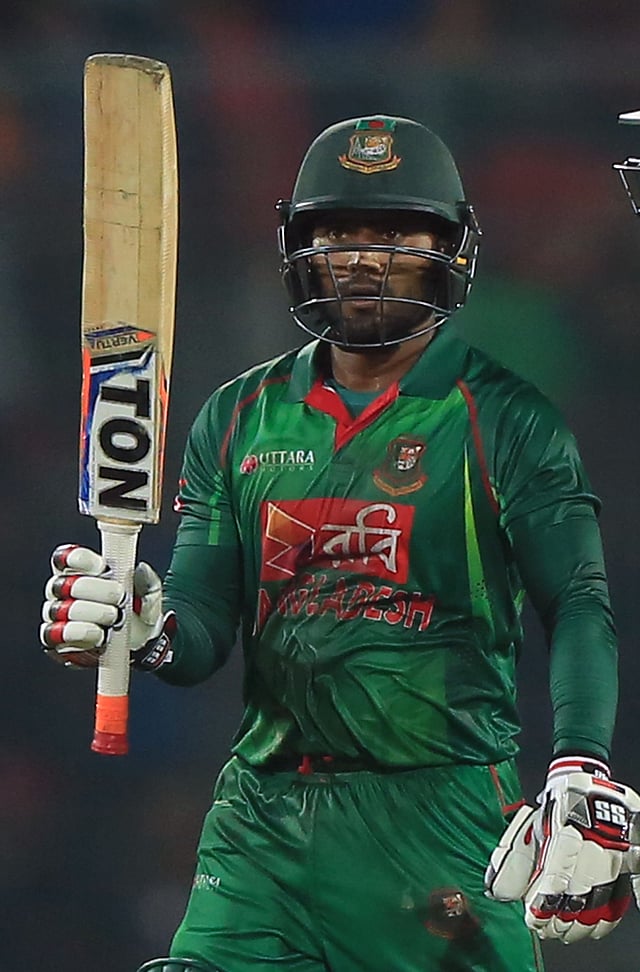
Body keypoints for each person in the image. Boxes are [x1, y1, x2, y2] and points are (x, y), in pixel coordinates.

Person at [41, 116, 640, 972]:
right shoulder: (237, 416)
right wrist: (149, 630)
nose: (362, 259)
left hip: (441, 822)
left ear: (452, 249)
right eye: (338, 234)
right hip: (262, 823)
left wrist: (581, 765)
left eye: (394, 235)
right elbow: (202, 620)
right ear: (300, 246)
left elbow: (578, 602)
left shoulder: (509, 420)